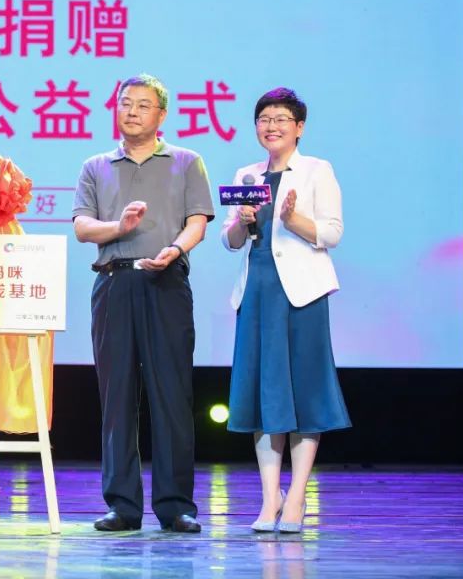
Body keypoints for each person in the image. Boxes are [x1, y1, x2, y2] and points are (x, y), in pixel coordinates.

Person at [72, 73, 215, 533]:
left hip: (166, 282)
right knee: (117, 397)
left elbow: (197, 222)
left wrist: (174, 249)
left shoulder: (187, 161)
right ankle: (122, 504)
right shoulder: (96, 165)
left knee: (172, 394)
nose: (131, 111)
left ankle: (175, 505)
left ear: (161, 114)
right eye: (125, 103)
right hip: (114, 284)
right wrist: (120, 227)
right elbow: (83, 227)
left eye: (142, 105)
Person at [222, 87, 351, 533]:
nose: (271, 126)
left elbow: (332, 233)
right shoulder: (247, 175)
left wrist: (293, 219)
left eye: (280, 119)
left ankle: (296, 497)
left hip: (302, 295)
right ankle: (268, 498)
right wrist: (242, 221)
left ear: (299, 128)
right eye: (264, 119)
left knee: (303, 392)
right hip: (257, 291)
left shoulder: (317, 170)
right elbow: (230, 241)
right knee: (264, 394)